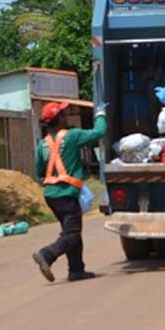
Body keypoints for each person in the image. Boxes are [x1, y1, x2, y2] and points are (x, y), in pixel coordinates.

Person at [32, 100, 107, 283]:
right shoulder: (72, 136)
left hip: (51, 195)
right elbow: (99, 132)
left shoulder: (42, 144)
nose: (66, 117)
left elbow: (40, 171)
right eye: (64, 114)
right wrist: (101, 115)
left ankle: (76, 270)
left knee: (70, 231)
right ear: (59, 119)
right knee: (72, 234)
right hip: (67, 193)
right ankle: (47, 255)